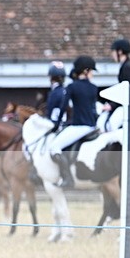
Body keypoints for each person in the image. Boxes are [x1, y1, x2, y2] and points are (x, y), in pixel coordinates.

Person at [49, 56, 100, 189]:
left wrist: (56, 125)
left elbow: (63, 108)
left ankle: (67, 179)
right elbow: (93, 109)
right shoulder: (94, 88)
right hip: (93, 127)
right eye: (91, 71)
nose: (92, 74)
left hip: (79, 127)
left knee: (54, 147)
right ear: (86, 71)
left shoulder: (72, 87)